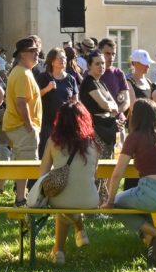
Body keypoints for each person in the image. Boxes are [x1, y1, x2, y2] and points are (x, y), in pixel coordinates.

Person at [102, 98, 156, 266]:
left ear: (135, 117)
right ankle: (153, 242)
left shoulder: (136, 136)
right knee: (137, 202)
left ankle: (155, 234)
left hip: (151, 193)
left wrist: (109, 202)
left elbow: (118, 173)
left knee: (117, 204)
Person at [29, 100, 102, 263]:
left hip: (61, 199)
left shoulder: (53, 141)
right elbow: (93, 175)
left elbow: (43, 173)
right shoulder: (94, 144)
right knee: (70, 201)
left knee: (63, 204)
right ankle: (78, 233)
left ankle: (58, 251)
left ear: (60, 120)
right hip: (90, 199)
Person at [3, 36, 44, 202]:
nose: (36, 54)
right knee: (26, 165)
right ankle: (21, 199)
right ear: (22, 54)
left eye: (37, 51)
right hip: (22, 126)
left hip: (20, 126)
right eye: (32, 51)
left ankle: (22, 197)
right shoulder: (22, 73)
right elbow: (21, 102)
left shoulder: (23, 72)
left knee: (23, 163)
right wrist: (29, 126)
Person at [79, 51, 122, 157]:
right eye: (97, 63)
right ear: (89, 66)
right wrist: (110, 107)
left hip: (107, 128)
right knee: (101, 162)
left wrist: (110, 107)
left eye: (102, 63)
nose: (101, 66)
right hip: (95, 130)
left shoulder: (101, 83)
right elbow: (105, 105)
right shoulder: (89, 82)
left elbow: (115, 106)